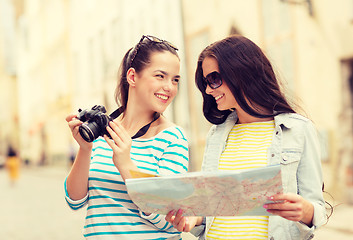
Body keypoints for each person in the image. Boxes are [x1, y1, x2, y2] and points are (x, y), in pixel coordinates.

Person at [165, 35, 327, 240]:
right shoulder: (216, 134)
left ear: (241, 73)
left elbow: (317, 209)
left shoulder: (297, 129)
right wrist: (193, 219)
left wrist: (305, 211)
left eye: (213, 79)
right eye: (206, 82)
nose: (207, 89)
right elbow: (210, 210)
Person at [65, 35, 189, 239]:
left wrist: (126, 166)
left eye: (175, 79)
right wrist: (85, 149)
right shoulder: (103, 131)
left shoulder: (172, 138)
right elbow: (74, 200)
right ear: (132, 77)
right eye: (160, 76)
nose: (170, 87)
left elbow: (171, 221)